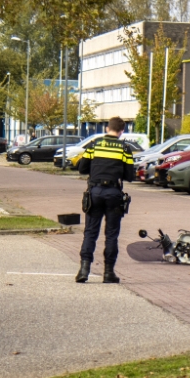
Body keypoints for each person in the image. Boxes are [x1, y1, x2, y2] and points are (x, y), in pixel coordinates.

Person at [76, 116, 135, 283]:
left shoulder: (94, 145)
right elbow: (130, 175)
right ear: (122, 131)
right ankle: (108, 273)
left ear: (107, 128)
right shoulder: (124, 148)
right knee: (111, 235)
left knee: (90, 232)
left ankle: (84, 270)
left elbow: (82, 168)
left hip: (94, 192)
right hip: (114, 194)